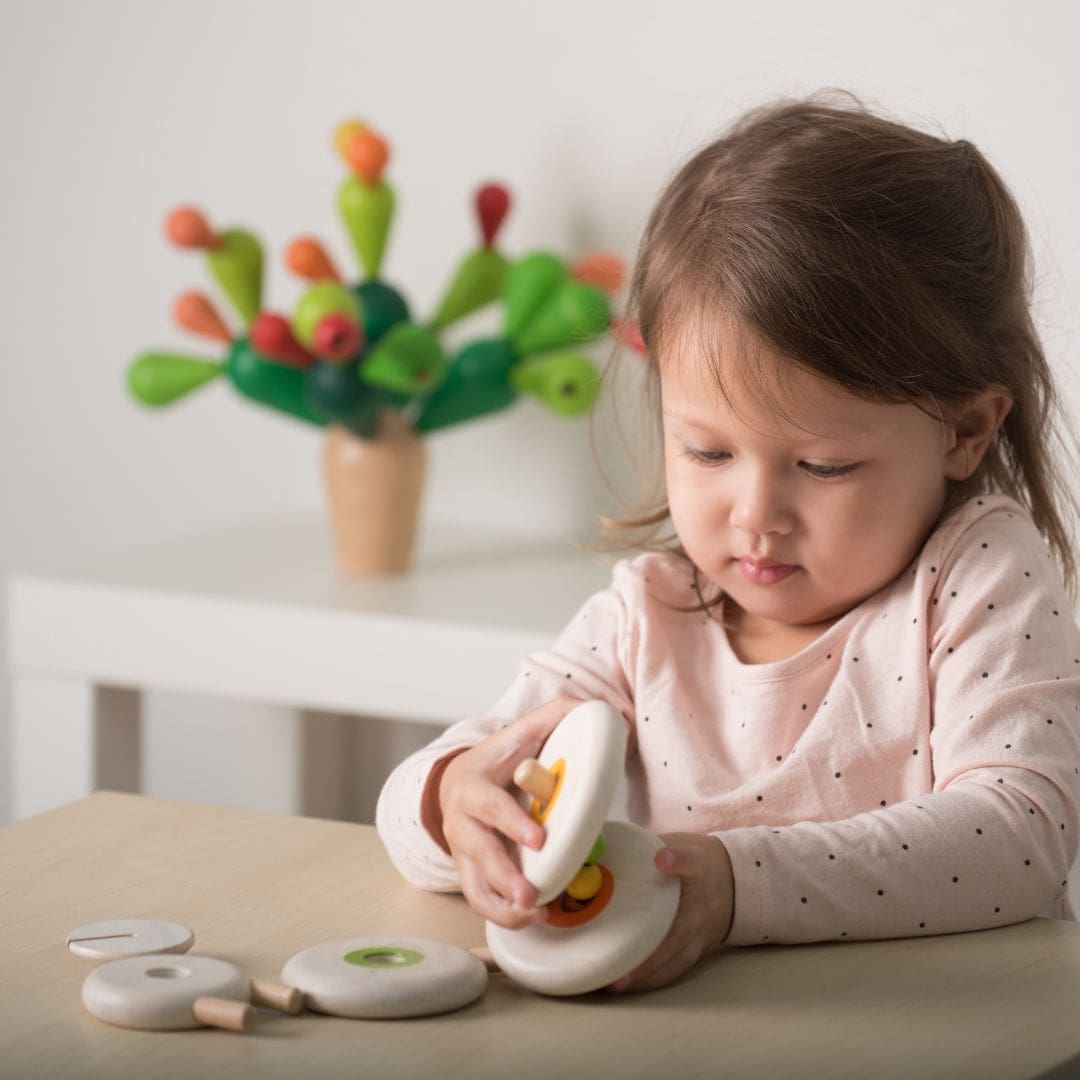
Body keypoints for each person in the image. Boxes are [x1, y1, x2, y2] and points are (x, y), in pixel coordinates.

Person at [376, 93, 1080, 993]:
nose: (757, 513)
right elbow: (421, 796)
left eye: (823, 465)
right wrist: (453, 803)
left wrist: (740, 887)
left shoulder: (975, 577)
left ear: (965, 432)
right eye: (708, 450)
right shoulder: (643, 621)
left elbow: (1020, 833)